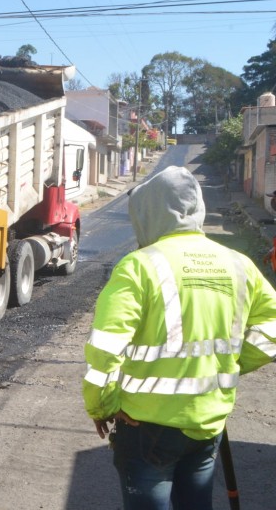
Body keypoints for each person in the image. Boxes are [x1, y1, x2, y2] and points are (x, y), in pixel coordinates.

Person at [83, 166, 276, 510]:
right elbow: (271, 328)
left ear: (148, 213)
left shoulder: (138, 266)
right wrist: (231, 364)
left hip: (146, 425)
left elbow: (105, 348)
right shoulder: (240, 265)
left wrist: (102, 404)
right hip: (208, 421)